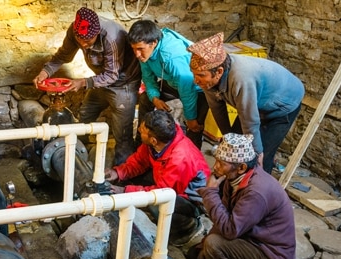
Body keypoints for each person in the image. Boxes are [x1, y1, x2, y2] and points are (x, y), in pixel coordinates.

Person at [191, 133, 296, 259]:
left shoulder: (256, 192)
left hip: (272, 254)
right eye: (216, 160)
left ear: (241, 167)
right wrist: (202, 247)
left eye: (221, 164)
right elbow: (225, 213)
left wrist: (210, 193)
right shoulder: (235, 179)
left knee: (214, 244)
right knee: (200, 255)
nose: (215, 167)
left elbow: (230, 230)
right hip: (253, 237)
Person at [33, 7, 141, 165]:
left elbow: (112, 75)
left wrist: (83, 82)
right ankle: (75, 157)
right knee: (84, 115)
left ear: (97, 33)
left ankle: (121, 176)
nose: (83, 44)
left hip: (123, 83)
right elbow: (63, 56)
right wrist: (45, 72)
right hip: (100, 81)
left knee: (122, 135)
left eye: (88, 40)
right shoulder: (75, 31)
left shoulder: (112, 37)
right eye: (79, 39)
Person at [187, 32, 305, 174]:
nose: (196, 80)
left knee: (257, 158)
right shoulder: (208, 80)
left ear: (219, 71)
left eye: (200, 76)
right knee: (233, 152)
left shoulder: (241, 79)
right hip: (255, 105)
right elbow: (218, 110)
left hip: (283, 104)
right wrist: (228, 139)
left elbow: (250, 120)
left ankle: (257, 189)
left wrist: (257, 152)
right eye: (194, 75)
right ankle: (229, 192)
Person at [104, 109, 210, 245]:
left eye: (142, 130)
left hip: (189, 198)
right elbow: (139, 161)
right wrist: (118, 172)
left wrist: (125, 192)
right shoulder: (159, 141)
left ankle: (187, 229)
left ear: (153, 140)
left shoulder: (180, 158)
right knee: (128, 179)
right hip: (167, 182)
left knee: (159, 204)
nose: (139, 131)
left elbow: (163, 192)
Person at [127, 20, 209, 149]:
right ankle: (141, 146)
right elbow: (148, 78)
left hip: (197, 87)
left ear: (153, 43)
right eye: (134, 49)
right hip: (173, 82)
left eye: (140, 49)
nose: (137, 54)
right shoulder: (144, 54)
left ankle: (191, 162)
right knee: (145, 99)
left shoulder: (172, 56)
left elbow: (187, 88)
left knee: (194, 126)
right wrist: (155, 98)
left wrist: (190, 117)